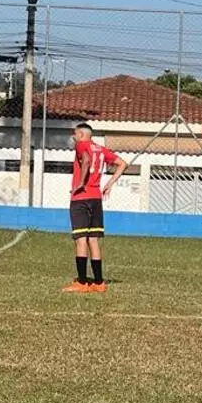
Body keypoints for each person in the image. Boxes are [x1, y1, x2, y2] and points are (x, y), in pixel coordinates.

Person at [63, 123, 127, 293]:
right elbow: (122, 163)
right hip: (96, 198)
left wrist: (80, 183)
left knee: (80, 239)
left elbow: (86, 160)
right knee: (93, 239)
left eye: (75, 133)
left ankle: (82, 282)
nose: (74, 137)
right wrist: (109, 184)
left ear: (82, 134)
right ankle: (99, 282)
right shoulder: (100, 149)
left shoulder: (81, 145)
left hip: (81, 198)